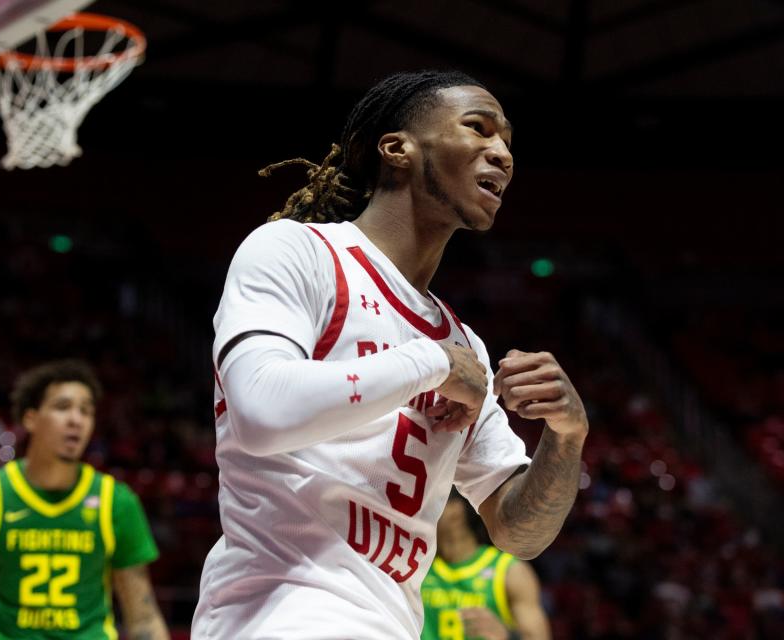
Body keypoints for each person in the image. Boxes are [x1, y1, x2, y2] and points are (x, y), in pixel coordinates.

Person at [191, 70, 589, 640]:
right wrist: (430, 364)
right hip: (281, 616)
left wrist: (567, 436)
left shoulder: (463, 344)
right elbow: (259, 413)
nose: (501, 153)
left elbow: (519, 532)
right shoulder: (297, 250)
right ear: (396, 148)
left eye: (507, 142)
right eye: (478, 128)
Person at [0, 359, 169, 640]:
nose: (76, 420)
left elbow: (143, 617)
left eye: (86, 411)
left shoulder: (116, 502)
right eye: (62, 407)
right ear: (30, 418)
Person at [421, 493, 550, 640]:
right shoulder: (417, 566)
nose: (421, 514)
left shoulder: (508, 570)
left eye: (429, 506)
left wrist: (508, 636)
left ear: (455, 511)